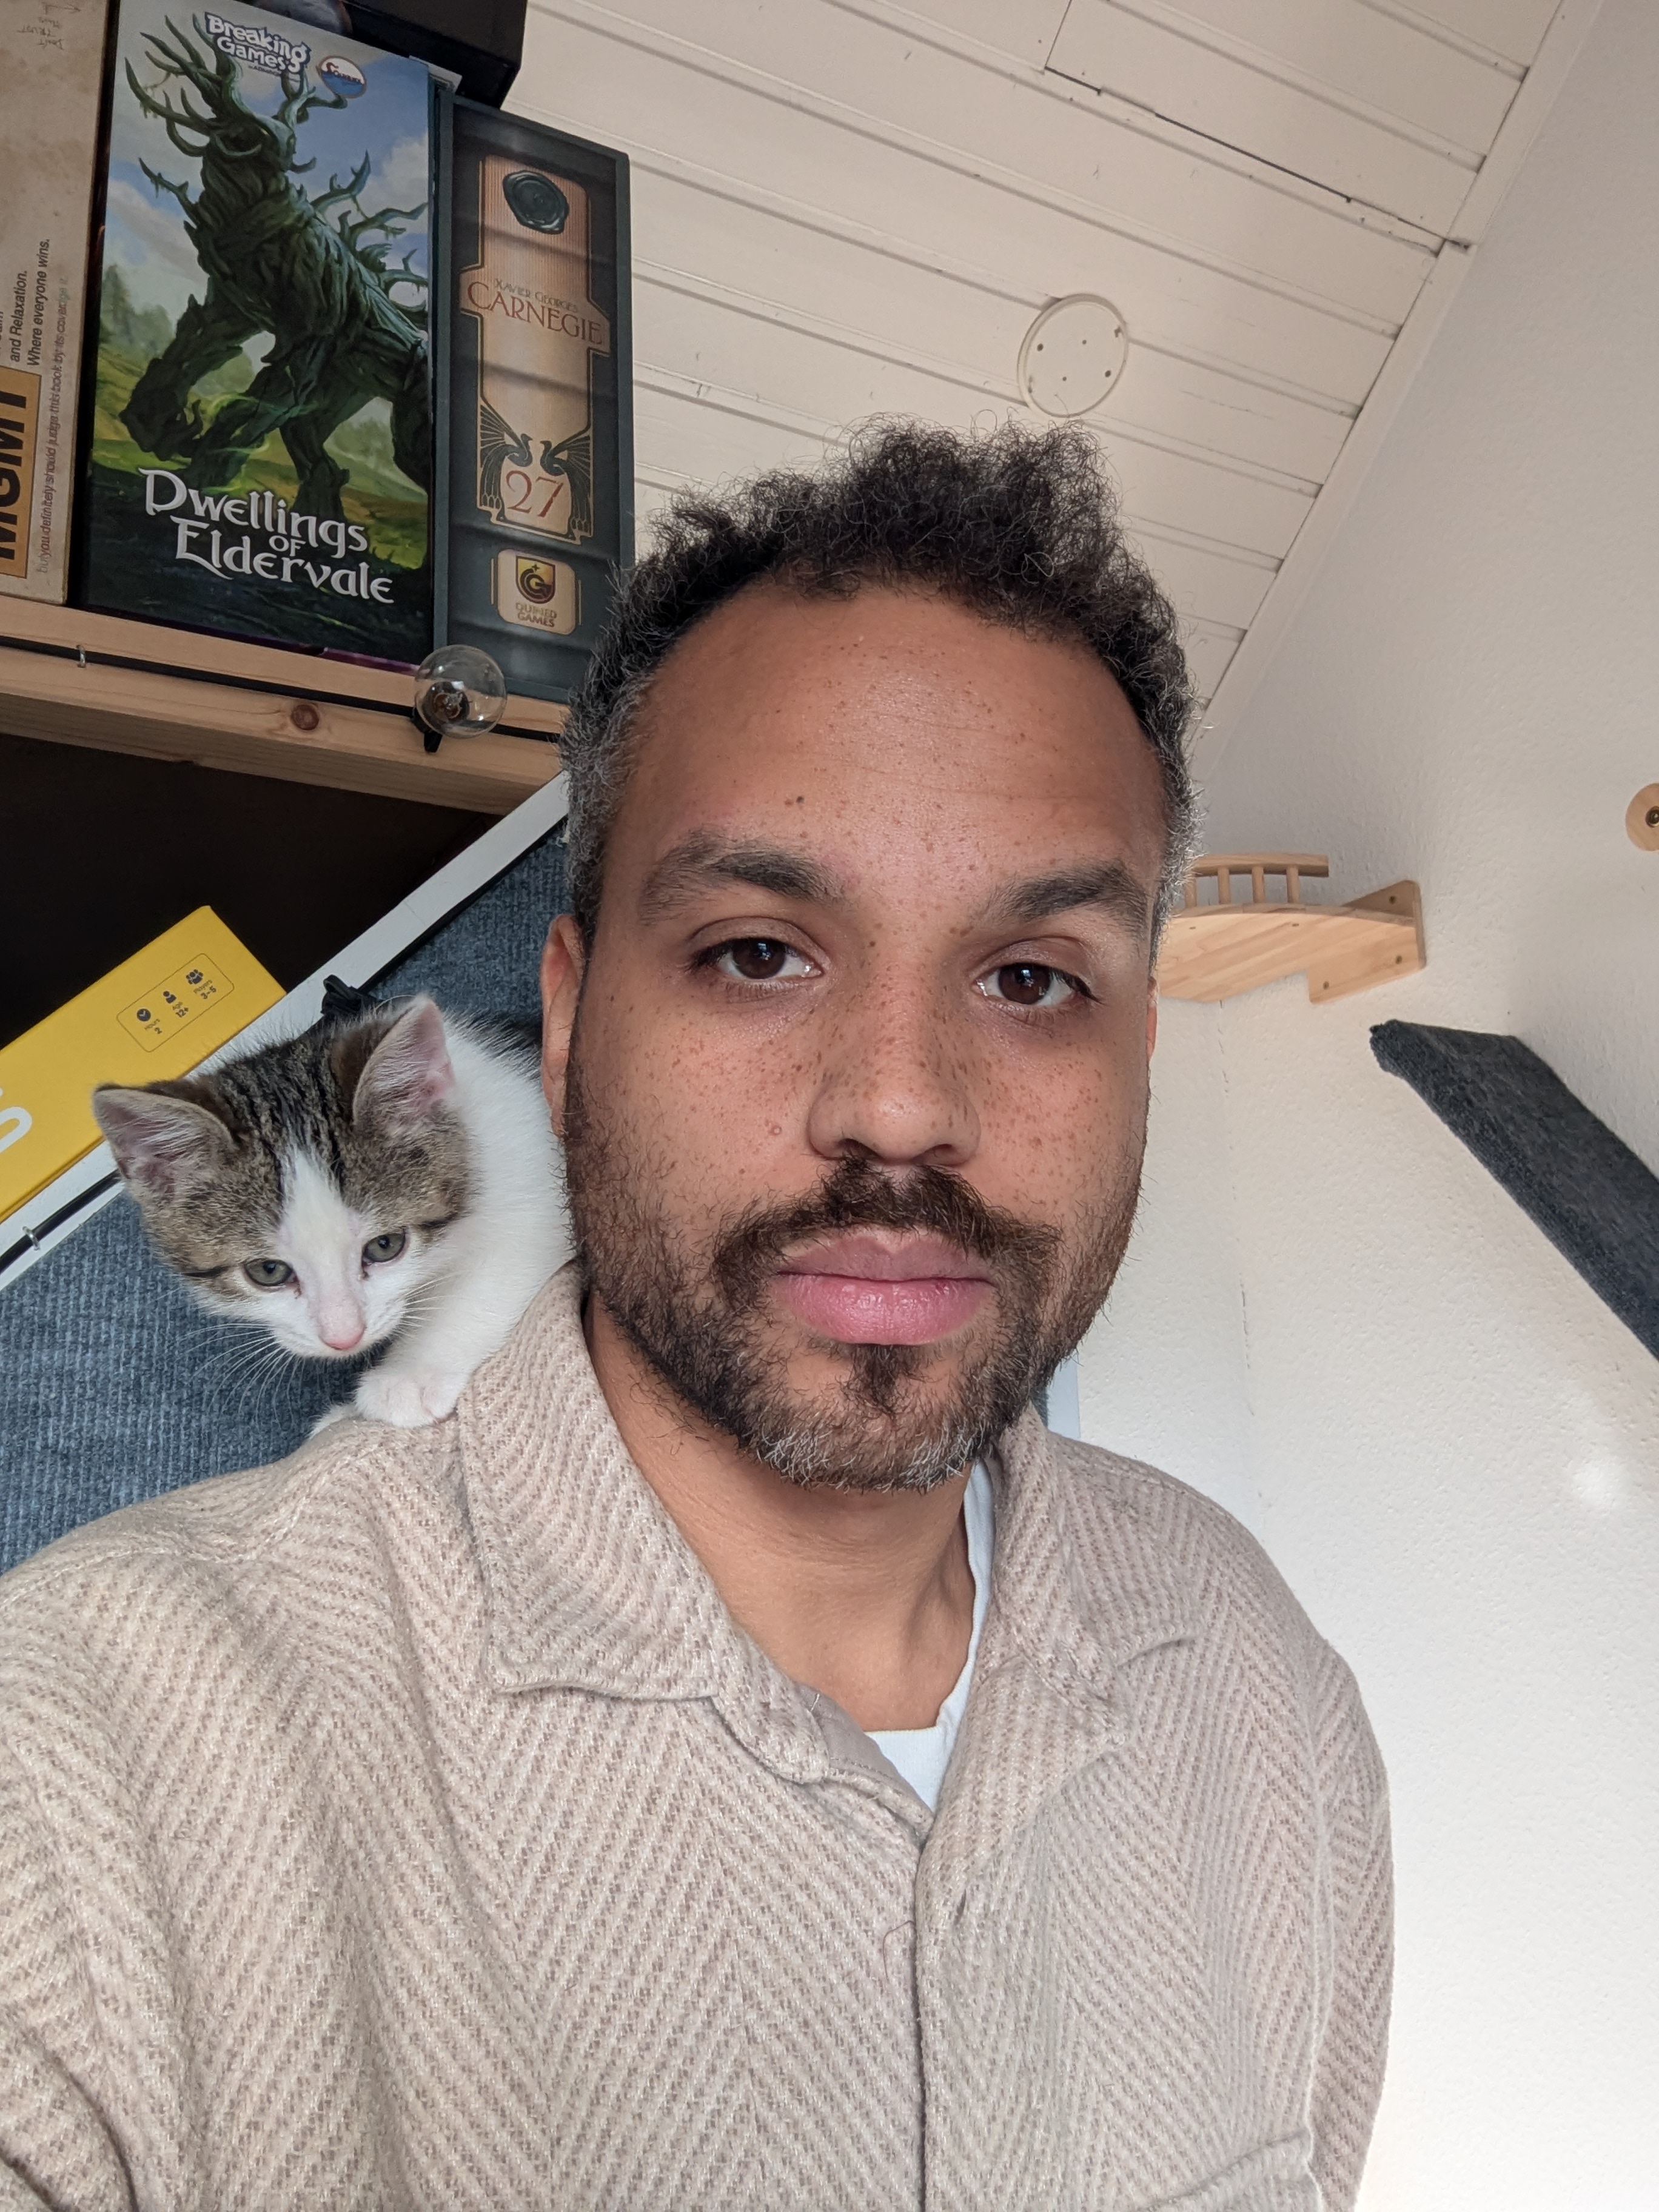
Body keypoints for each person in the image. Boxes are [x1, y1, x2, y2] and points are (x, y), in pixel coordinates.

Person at [0, 423, 1389, 2208]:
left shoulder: (1267, 1684)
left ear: (1139, 1055)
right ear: (568, 1025)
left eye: (1034, 977)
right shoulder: (81, 1764)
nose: (899, 1107)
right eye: (756, 952)